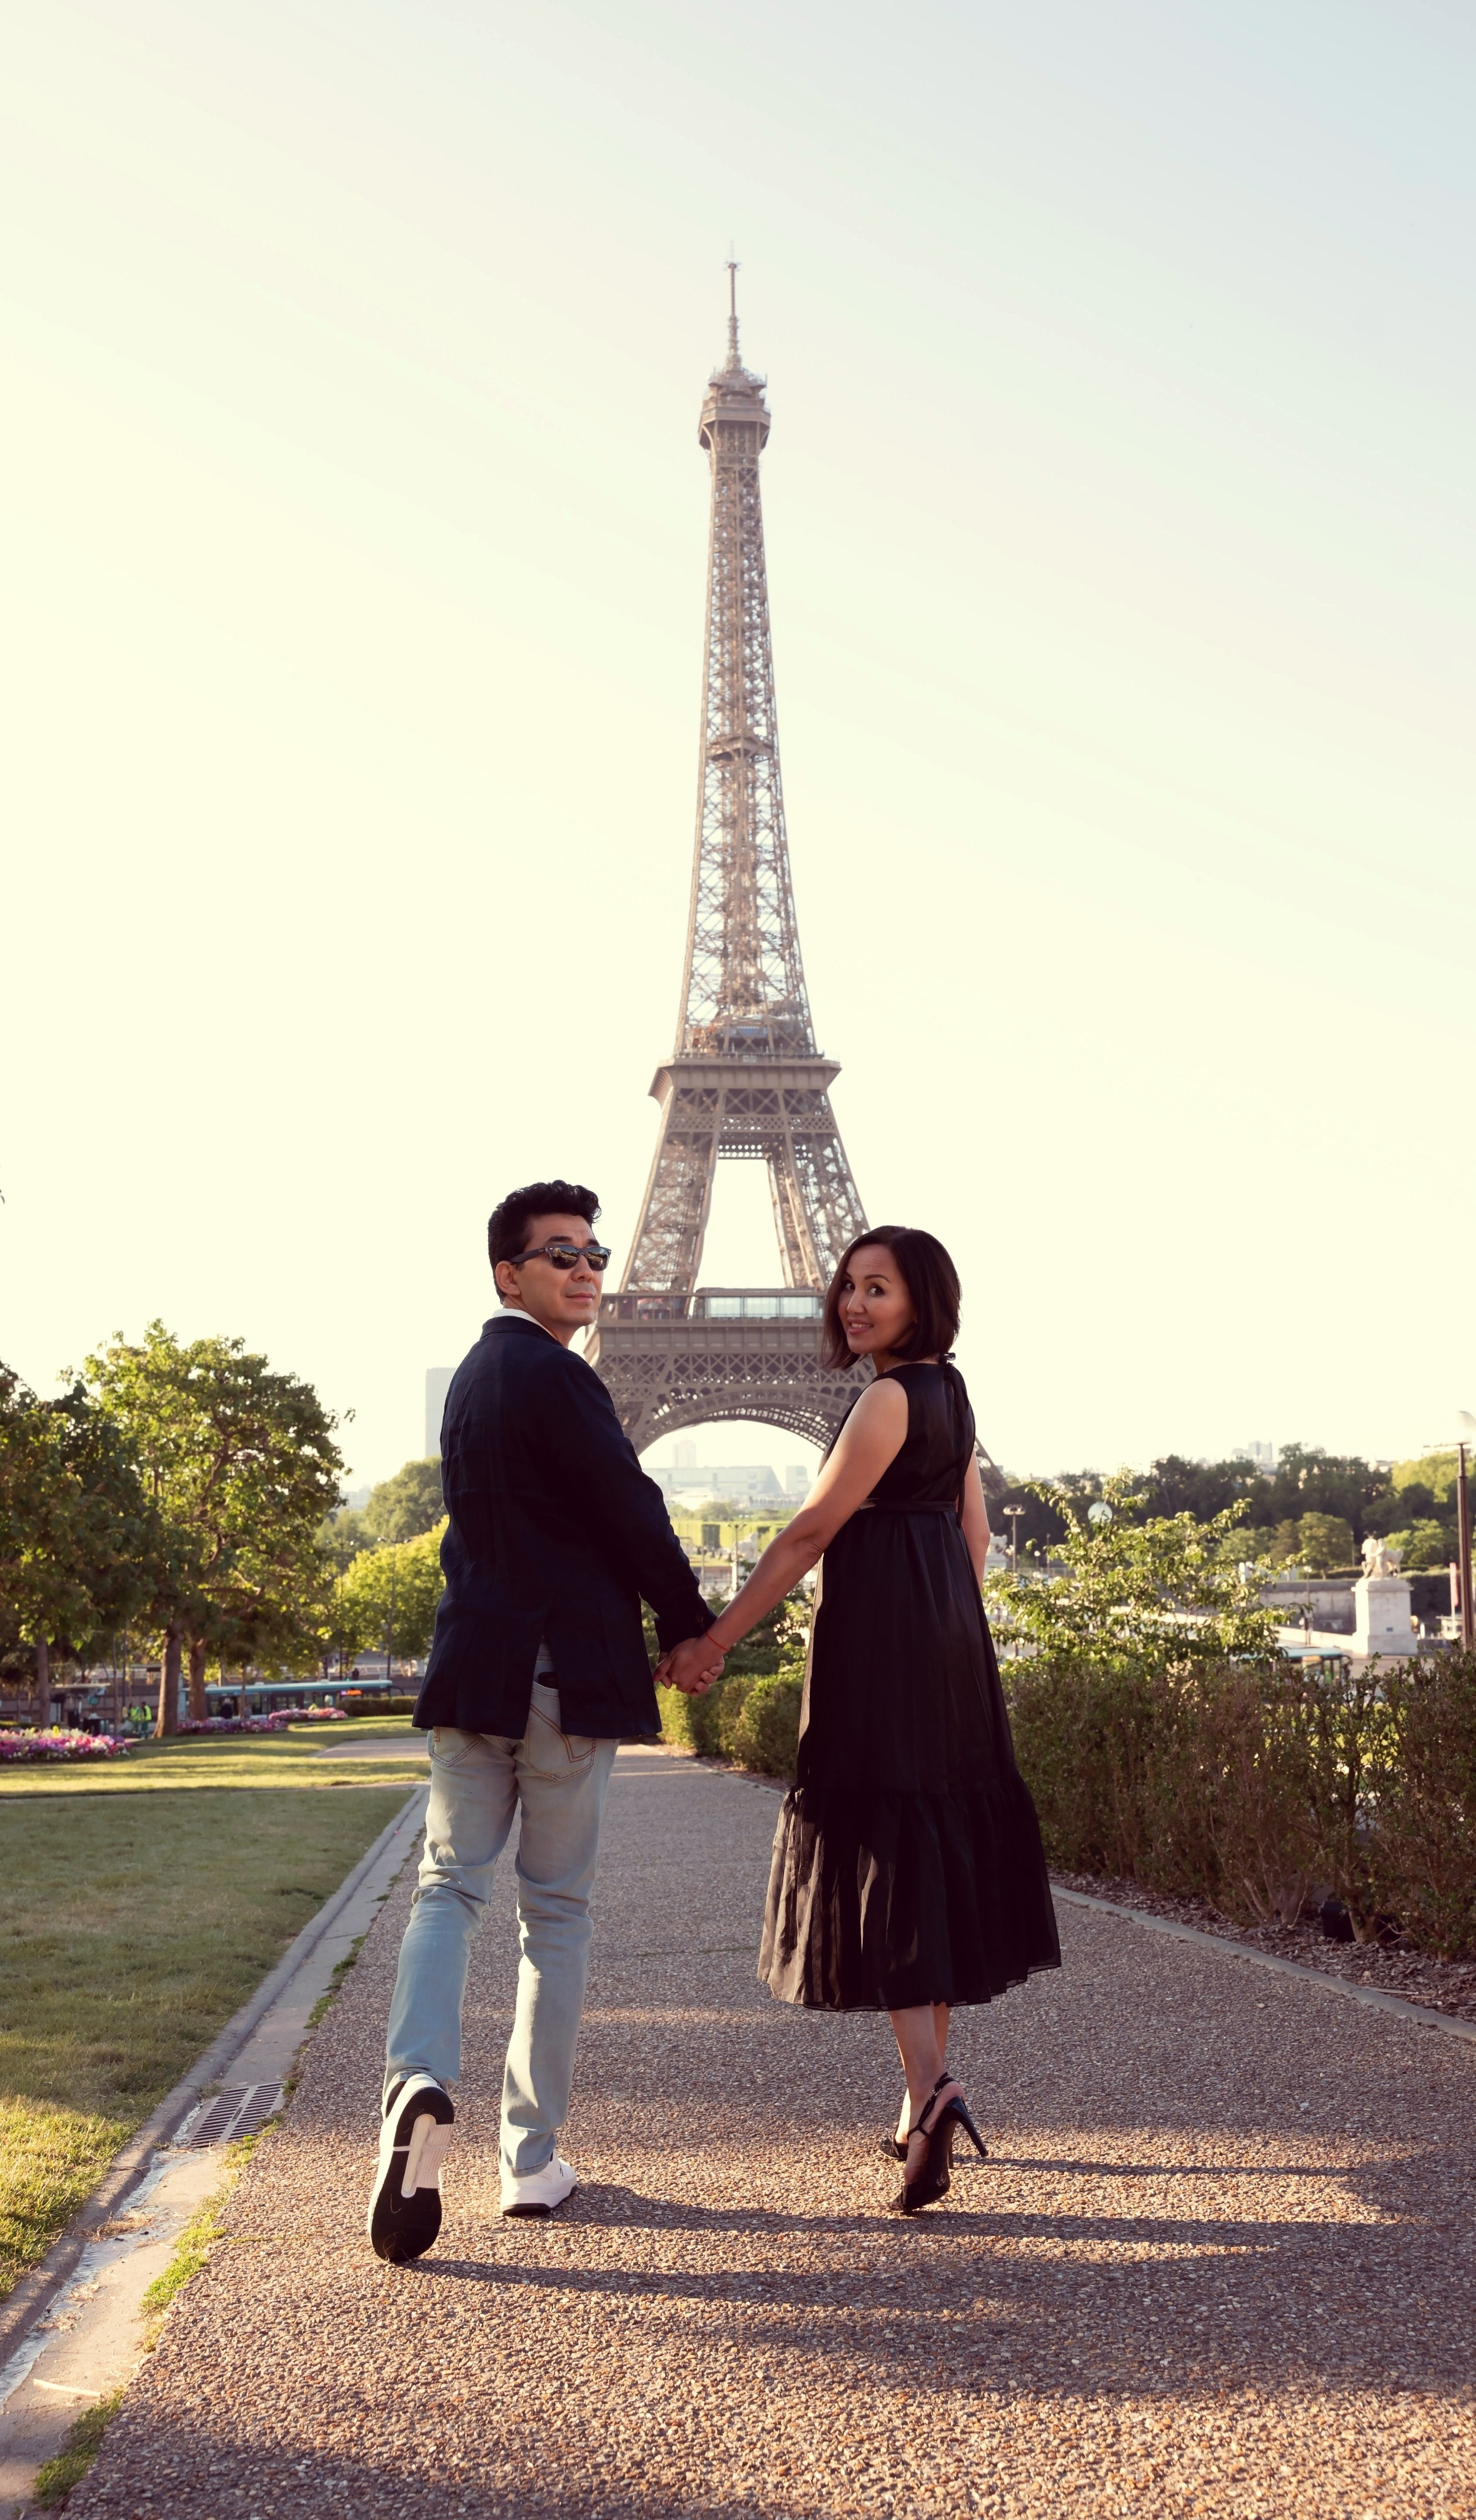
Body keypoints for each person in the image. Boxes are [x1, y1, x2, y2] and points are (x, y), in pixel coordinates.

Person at [659, 1226, 1060, 2214]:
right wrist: (952, 1640)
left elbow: (807, 1533)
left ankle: (932, 2095)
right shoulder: (950, 1396)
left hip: (877, 1644)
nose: (852, 1302)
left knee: (884, 1859)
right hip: (943, 1646)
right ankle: (914, 2101)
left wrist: (712, 1641)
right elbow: (970, 1534)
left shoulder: (885, 1398)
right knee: (923, 1854)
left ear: (921, 1299)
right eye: (846, 1286)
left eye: (876, 1288)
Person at [368, 1179, 715, 2264]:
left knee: (446, 1888)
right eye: (558, 1252)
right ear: (507, 1272)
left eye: (593, 1252)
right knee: (553, 1915)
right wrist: (691, 1619)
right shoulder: (560, 1377)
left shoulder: (473, 1380)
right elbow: (630, 1507)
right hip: (559, 1672)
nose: (585, 1267)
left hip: (475, 1674)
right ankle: (528, 2160)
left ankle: (415, 2079)